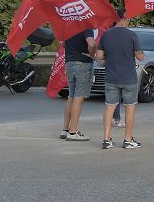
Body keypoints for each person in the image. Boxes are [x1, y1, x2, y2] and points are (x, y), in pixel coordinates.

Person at [96, 9, 144, 149]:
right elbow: (140, 56)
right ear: (126, 18)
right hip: (128, 78)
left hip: (111, 77)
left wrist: (109, 59)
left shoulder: (106, 34)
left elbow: (99, 56)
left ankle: (106, 139)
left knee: (109, 107)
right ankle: (128, 139)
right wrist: (140, 55)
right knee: (130, 108)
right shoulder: (132, 35)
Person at [60, 27, 97, 141]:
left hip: (69, 62)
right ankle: (73, 131)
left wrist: (73, 50)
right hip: (83, 63)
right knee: (79, 98)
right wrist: (92, 54)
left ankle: (65, 129)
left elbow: (63, 43)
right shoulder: (86, 26)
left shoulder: (69, 24)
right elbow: (91, 43)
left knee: (71, 96)